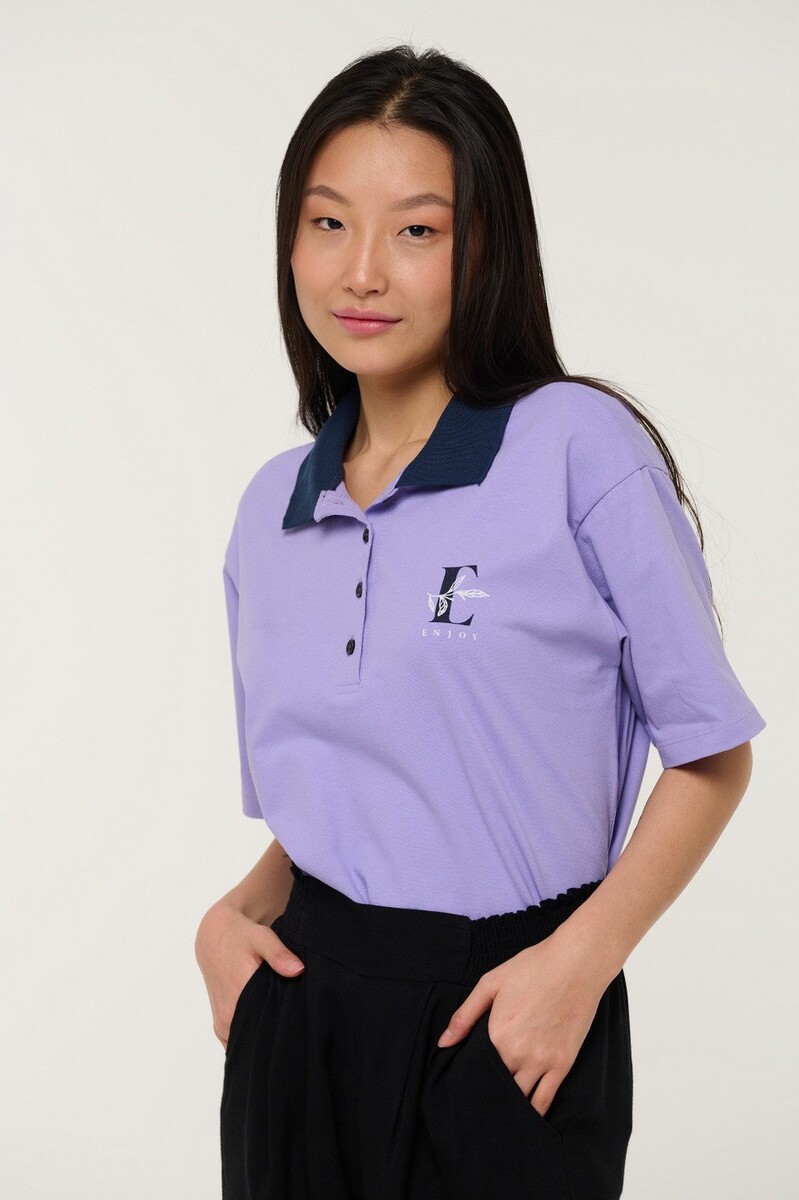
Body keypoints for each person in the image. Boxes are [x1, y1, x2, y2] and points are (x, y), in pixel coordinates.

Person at [194, 43, 766, 1200]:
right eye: (326, 223)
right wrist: (235, 914)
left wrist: (579, 965)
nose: (361, 271)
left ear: (486, 246)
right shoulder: (271, 508)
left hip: (504, 1012)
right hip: (300, 1010)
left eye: (416, 230)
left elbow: (711, 753)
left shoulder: (577, 449)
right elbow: (354, 787)